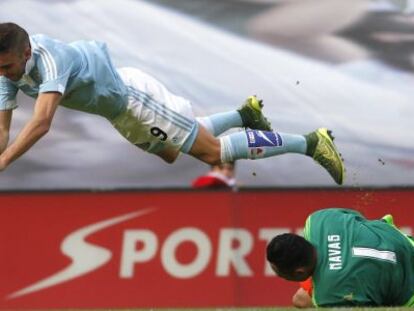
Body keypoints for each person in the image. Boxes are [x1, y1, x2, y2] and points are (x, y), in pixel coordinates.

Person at [0, 23, 345, 185]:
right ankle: (245, 114)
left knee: (213, 153)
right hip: (119, 113)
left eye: (7, 66)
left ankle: (311, 143)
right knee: (173, 151)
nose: (4, 74)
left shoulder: (51, 60)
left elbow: (42, 122)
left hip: (134, 101)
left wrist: (4, 162)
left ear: (26, 53)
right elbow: (3, 127)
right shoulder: (7, 72)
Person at [266, 208, 414, 307]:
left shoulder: (328, 296)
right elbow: (359, 218)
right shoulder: (319, 220)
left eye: (281, 274)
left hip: (409, 293)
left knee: (301, 300)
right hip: (404, 244)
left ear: (299, 272)